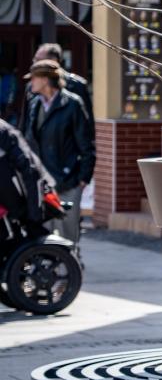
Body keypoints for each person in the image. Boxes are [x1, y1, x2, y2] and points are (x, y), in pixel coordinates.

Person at [22, 60, 94, 244]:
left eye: (34, 78)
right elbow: (28, 141)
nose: (31, 83)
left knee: (67, 238)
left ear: (45, 80)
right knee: (44, 239)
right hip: (42, 184)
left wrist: (83, 179)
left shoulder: (72, 104)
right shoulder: (34, 104)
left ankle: (70, 263)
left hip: (68, 182)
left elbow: (87, 145)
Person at [20, 43, 93, 137]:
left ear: (53, 61)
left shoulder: (76, 86)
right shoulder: (31, 86)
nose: (35, 63)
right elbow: (25, 122)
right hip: (36, 145)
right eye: (34, 60)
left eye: (38, 60)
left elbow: (86, 127)